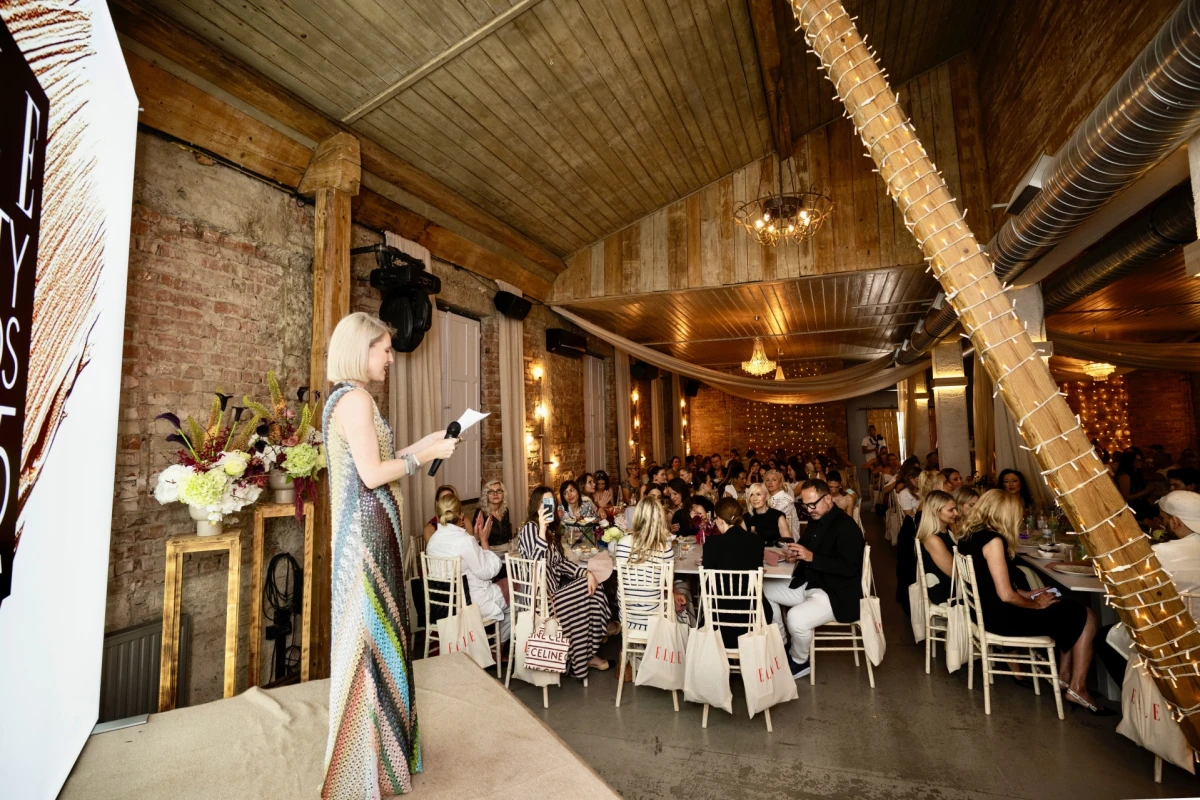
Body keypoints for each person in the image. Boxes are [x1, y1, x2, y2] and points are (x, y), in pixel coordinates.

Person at [321, 312, 459, 795]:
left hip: (364, 533)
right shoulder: (357, 399)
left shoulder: (345, 398)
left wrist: (430, 443)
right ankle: (366, 767)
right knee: (374, 642)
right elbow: (374, 474)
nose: (390, 359)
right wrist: (422, 458)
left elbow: (382, 458)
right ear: (361, 349)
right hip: (368, 537)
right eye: (384, 350)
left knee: (375, 640)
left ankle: (381, 758)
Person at [957, 490, 1108, 714]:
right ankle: (1077, 687)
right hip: (1002, 618)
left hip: (987, 613)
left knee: (1066, 607)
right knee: (1085, 614)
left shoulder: (969, 536)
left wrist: (1027, 594)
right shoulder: (993, 540)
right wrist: (1036, 604)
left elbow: (989, 583)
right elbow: (1006, 595)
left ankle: (1065, 678)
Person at [764, 480, 865, 678]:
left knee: (796, 618)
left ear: (828, 498)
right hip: (811, 582)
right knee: (765, 589)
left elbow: (850, 568)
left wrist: (812, 557)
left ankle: (799, 661)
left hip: (836, 593)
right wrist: (794, 554)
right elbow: (805, 546)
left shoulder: (846, 527)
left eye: (813, 504)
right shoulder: (817, 519)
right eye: (805, 505)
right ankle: (782, 642)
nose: (809, 510)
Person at [1100, 491, 1200, 683]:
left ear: (1175, 522)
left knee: (1106, 637)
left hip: (1169, 638)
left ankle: (1144, 693)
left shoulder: (1159, 554)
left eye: (1163, 518)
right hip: (1194, 639)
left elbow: (1126, 586)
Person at [518, 486, 612, 678]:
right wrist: (541, 529)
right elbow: (536, 564)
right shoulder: (530, 529)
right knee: (590, 589)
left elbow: (561, 564)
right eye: (544, 502)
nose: (548, 506)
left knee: (593, 583)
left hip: (553, 596)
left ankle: (584, 656)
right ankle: (587, 655)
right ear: (536, 505)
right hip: (540, 601)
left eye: (551, 502)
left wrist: (586, 573)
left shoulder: (551, 530)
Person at [426, 493, 509, 643]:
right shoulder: (464, 541)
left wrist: (476, 539)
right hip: (470, 606)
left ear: (438, 516)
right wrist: (484, 541)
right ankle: (501, 645)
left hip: (443, 609)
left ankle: (492, 644)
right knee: (518, 591)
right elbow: (487, 572)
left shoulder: (432, 542)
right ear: (461, 515)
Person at [613, 496, 692, 636]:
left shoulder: (622, 543)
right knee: (684, 594)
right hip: (655, 620)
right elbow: (666, 585)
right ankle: (683, 644)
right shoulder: (664, 549)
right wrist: (675, 594)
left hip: (628, 618)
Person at [702, 498, 769, 649]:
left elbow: (707, 582)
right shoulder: (757, 541)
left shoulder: (712, 543)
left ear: (719, 519)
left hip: (719, 616)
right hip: (751, 613)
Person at [915, 490, 957, 605]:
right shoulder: (933, 540)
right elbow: (955, 573)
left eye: (955, 509)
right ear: (935, 512)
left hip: (949, 584)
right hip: (944, 592)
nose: (956, 513)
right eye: (951, 510)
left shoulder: (946, 530)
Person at [472, 478, 513, 551]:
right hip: (488, 550)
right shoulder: (481, 512)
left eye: (499, 491)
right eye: (491, 491)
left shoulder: (505, 510)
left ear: (503, 494)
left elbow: (508, 536)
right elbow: (476, 539)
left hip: (506, 550)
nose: (495, 494)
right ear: (486, 495)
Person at [1115, 451, 1153, 520]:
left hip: (1141, 505)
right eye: (1137, 460)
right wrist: (1146, 491)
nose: (1140, 462)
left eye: (1140, 460)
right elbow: (1125, 497)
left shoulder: (1136, 474)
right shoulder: (1124, 476)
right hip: (1133, 507)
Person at [764, 469, 801, 538]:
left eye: (774, 480)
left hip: (787, 538)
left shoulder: (786, 499)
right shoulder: (766, 498)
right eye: (767, 480)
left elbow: (771, 519)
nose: (770, 482)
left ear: (780, 483)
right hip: (771, 534)